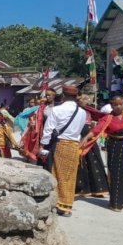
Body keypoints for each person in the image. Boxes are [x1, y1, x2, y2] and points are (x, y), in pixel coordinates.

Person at [40, 85, 86, 217]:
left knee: (55, 173)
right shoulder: (82, 112)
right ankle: (67, 205)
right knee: (69, 176)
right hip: (74, 146)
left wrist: (43, 145)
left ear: (63, 96)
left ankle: (57, 203)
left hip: (60, 144)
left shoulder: (57, 110)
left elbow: (48, 129)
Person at [75, 95, 109, 198]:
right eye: (83, 99)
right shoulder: (75, 110)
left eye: (87, 100)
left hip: (90, 138)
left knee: (94, 161)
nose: (86, 102)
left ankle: (98, 189)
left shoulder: (89, 110)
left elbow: (102, 117)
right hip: (79, 136)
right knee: (80, 162)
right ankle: (81, 189)